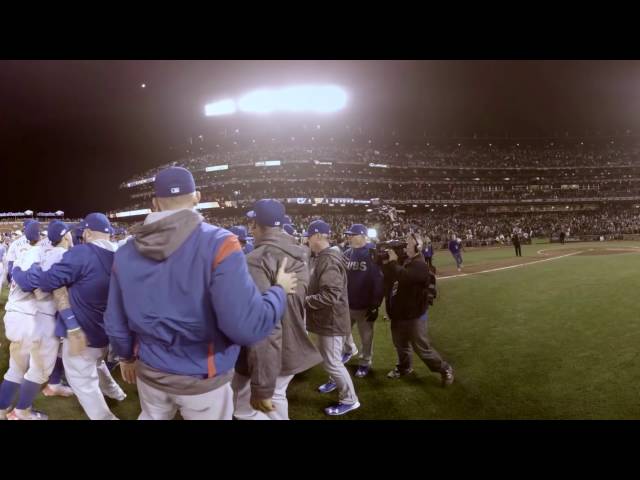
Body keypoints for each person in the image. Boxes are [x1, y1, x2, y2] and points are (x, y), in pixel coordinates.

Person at [104, 167, 298, 420]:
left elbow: (115, 321)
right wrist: (279, 291)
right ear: (196, 196)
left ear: (155, 202)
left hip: (150, 372)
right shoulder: (221, 242)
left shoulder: (126, 251)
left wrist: (126, 357)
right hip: (203, 377)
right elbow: (246, 328)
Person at [17, 213, 127, 420]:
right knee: (98, 363)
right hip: (110, 333)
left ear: (86, 232)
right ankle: (116, 392)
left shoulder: (82, 253)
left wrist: (22, 274)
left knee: (82, 381)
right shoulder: (123, 254)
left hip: (83, 334)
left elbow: (49, 280)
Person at [232, 200, 321, 420]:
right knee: (277, 398)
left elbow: (265, 325)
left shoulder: (255, 259)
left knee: (244, 408)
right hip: (293, 342)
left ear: (255, 224)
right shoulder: (299, 253)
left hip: (268, 353)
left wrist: (262, 384)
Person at [7, 221, 76, 420]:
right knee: (39, 370)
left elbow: (20, 275)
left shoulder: (38, 252)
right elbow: (41, 283)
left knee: (21, 367)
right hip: (46, 316)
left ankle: (6, 408)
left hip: (25, 314)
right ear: (65, 236)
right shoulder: (63, 256)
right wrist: (71, 323)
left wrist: (19, 274)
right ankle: (21, 412)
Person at [382, 232, 454, 387]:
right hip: (399, 314)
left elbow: (405, 277)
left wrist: (393, 263)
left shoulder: (420, 264)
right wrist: (387, 263)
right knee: (400, 345)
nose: (404, 246)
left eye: (407, 244)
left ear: (418, 246)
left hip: (414, 315)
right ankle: (404, 367)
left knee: (422, 349)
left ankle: (444, 368)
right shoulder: (404, 261)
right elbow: (389, 279)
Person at [304, 220, 360, 416]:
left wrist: (305, 300)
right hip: (328, 319)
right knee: (331, 359)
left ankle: (350, 400)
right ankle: (333, 381)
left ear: (318, 236)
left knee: (332, 362)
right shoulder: (327, 256)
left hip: (332, 320)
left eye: (309, 236)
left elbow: (331, 294)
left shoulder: (328, 258)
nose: (307, 240)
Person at [0, 221, 48, 419]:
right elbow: (33, 284)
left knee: (17, 368)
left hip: (15, 314)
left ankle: (2, 409)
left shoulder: (20, 250)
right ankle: (22, 413)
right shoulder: (38, 253)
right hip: (27, 318)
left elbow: (12, 273)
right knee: (40, 369)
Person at [342, 223, 384, 378]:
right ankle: (349, 350)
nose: (349, 237)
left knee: (366, 337)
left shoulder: (372, 253)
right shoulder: (347, 253)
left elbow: (378, 280)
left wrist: (375, 304)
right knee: (342, 332)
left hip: (365, 305)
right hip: (347, 303)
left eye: (352, 234)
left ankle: (365, 362)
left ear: (362, 236)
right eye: (349, 234)